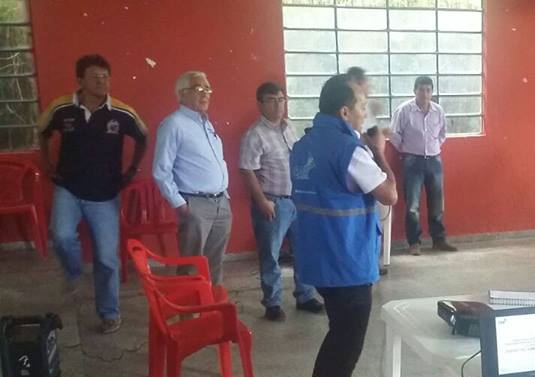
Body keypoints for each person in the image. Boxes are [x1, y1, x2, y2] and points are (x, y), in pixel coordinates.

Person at [291, 74, 398, 377]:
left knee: (337, 336)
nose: (365, 112)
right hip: (347, 261)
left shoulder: (303, 145)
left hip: (317, 258)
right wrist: (381, 151)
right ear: (344, 111)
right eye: (362, 106)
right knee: (346, 344)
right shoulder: (349, 151)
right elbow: (389, 194)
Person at [38, 54, 147, 334]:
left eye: (106, 76)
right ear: (80, 81)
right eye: (96, 76)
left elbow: (142, 136)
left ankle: (109, 312)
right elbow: (43, 131)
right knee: (61, 235)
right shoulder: (61, 108)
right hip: (69, 189)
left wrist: (132, 170)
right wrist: (47, 164)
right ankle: (74, 275)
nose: (102, 81)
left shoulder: (122, 112)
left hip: (105, 195)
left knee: (107, 259)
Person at [239, 82, 323, 322]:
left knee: (303, 250)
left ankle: (305, 295)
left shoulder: (290, 128)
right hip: (272, 202)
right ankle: (273, 303)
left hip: (296, 200)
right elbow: (247, 171)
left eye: (281, 99)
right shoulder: (254, 134)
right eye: (271, 100)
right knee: (271, 255)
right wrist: (262, 201)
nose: (278, 104)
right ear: (260, 104)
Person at [154, 71, 231, 285]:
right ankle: (190, 313)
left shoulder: (206, 123)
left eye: (208, 89)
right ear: (182, 94)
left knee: (215, 264)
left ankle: (211, 311)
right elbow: (161, 170)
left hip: (221, 202)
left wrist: (224, 195)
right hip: (195, 204)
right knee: (191, 266)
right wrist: (180, 204)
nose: (205, 93)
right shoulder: (173, 124)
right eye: (199, 89)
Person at [390, 75, 456, 255]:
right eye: (421, 89)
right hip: (413, 161)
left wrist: (433, 148)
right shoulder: (404, 110)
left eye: (428, 90)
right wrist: (407, 149)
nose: (425, 94)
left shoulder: (438, 111)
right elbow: (394, 135)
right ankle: (414, 243)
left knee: (437, 203)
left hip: (435, 160)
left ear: (432, 92)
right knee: (412, 206)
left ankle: (439, 240)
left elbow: (442, 133)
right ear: (414, 91)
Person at [346, 66, 392, 276]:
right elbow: (390, 195)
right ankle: (369, 262)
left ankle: (374, 260)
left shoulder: (366, 109)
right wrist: (377, 151)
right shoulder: (351, 144)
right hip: (367, 172)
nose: (369, 86)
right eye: (365, 82)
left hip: (372, 170)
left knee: (374, 222)